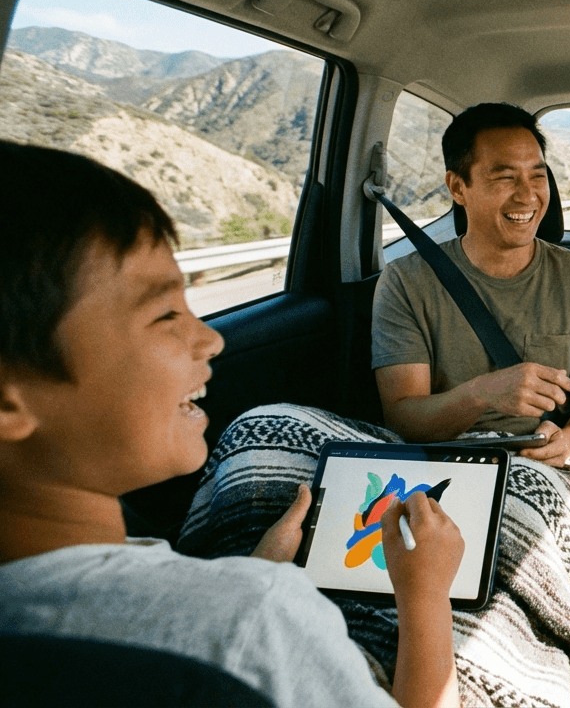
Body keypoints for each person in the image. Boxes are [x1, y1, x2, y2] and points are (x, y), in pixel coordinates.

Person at [0, 142, 463, 707]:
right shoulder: (253, 616)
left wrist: (261, 562)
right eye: (165, 313)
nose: (211, 338)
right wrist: (425, 593)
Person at [372, 102, 570, 467]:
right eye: (505, 177)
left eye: (537, 176)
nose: (527, 195)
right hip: (441, 459)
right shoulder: (406, 281)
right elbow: (403, 419)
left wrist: (567, 442)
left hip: (544, 460)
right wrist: (481, 395)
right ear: (458, 187)